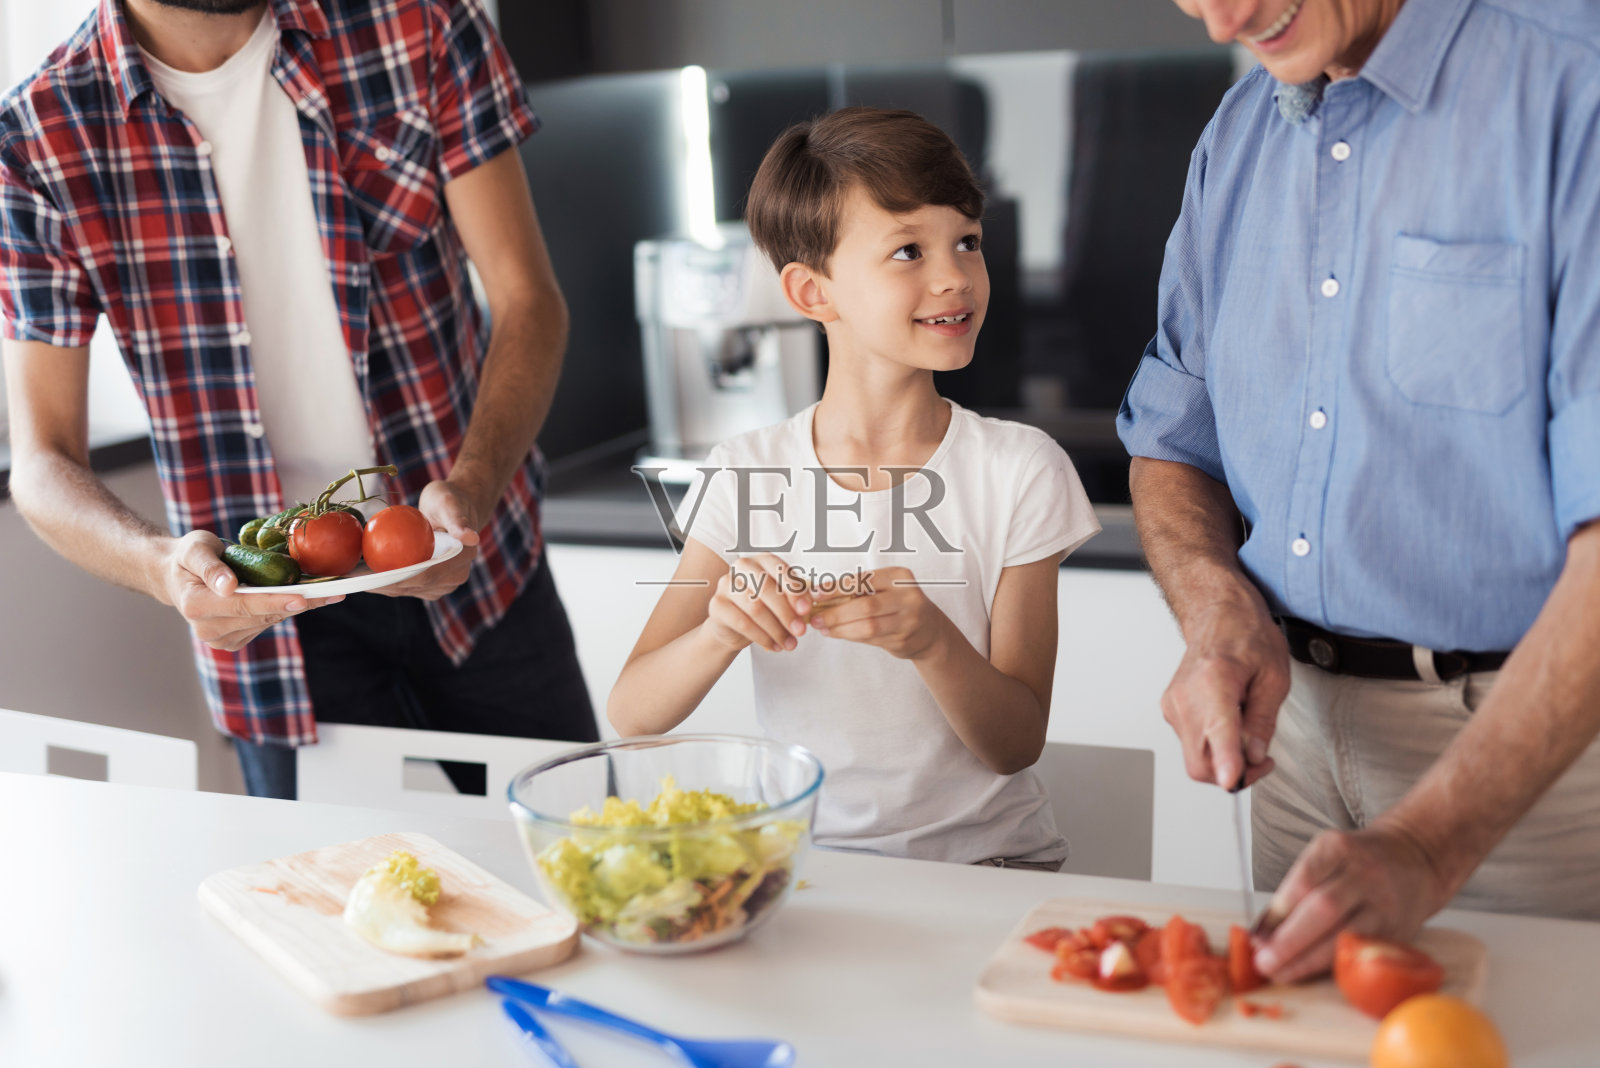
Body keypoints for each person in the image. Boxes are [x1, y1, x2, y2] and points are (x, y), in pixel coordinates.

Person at [0, 0, 598, 799]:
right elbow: (41, 463)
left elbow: (529, 300)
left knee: (588, 876)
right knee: (325, 913)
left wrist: (472, 489)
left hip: (480, 568)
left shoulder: (417, 25)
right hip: (273, 622)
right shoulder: (38, 137)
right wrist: (161, 568)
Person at [1119, 0, 1600, 983]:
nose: (1222, 21)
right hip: (1291, 746)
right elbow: (1172, 442)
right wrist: (1217, 609)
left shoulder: (1572, 80)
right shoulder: (1241, 133)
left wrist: (1429, 843)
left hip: (1531, 773)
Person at [608, 108, 1100, 868]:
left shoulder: (1021, 468)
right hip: (814, 871)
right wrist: (721, 629)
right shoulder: (748, 472)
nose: (954, 276)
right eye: (909, 250)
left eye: (966, 241)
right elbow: (633, 712)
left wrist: (934, 641)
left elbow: (1015, 743)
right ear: (812, 293)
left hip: (991, 873)